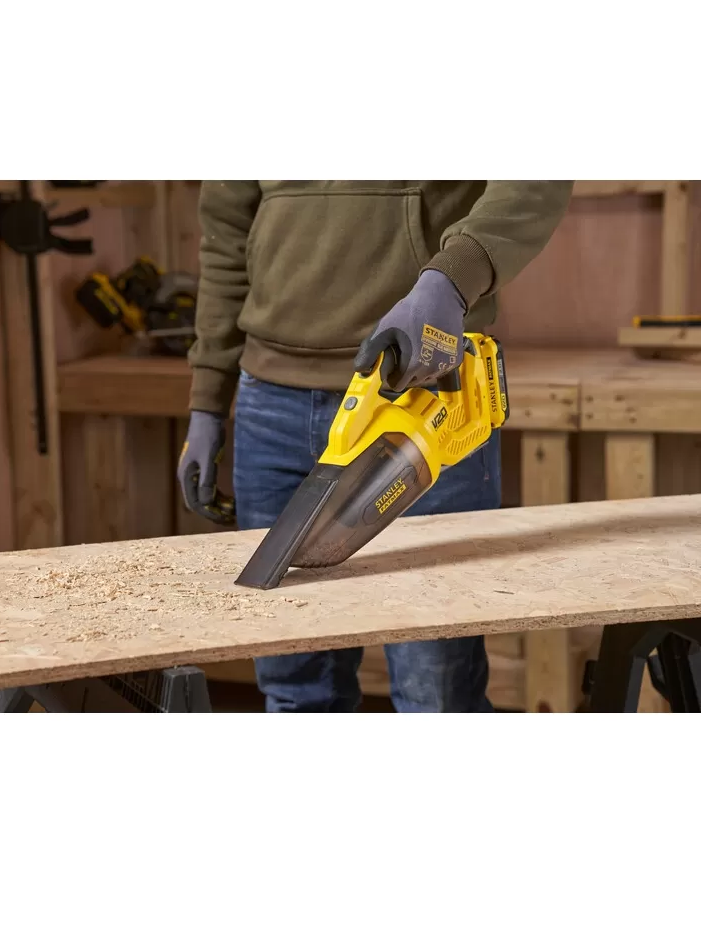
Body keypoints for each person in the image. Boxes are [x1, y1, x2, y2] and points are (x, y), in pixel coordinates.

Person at [178, 181, 573, 713]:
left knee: (437, 693)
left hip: (418, 391)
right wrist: (208, 398)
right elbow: (227, 233)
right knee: (295, 690)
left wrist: (452, 279)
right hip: (269, 402)